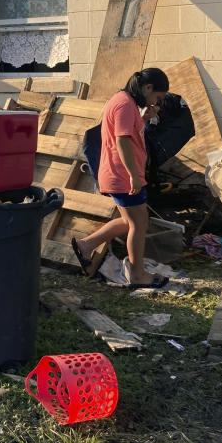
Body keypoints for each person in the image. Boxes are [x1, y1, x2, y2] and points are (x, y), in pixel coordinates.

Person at [71, 68, 170, 288]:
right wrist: (134, 176)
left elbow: (131, 134)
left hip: (118, 174)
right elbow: (122, 141)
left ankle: (86, 245)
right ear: (148, 88)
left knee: (129, 222)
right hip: (123, 176)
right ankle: (137, 275)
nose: (157, 102)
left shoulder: (124, 101)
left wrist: (143, 118)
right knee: (139, 223)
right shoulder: (125, 104)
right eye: (157, 98)